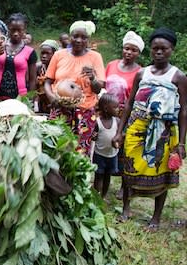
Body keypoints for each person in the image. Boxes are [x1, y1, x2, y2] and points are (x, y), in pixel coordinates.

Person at [112, 28, 187, 231]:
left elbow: (184, 111)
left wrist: (181, 143)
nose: (159, 52)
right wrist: (119, 131)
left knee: (162, 171)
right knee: (129, 167)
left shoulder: (178, 76)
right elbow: (128, 104)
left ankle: (156, 216)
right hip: (138, 126)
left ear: (172, 50)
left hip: (164, 130)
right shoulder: (141, 73)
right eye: (155, 49)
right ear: (151, 50)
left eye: (164, 49)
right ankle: (126, 208)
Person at [43, 20, 105, 155]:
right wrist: (52, 97)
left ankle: (76, 176)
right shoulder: (59, 55)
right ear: (70, 37)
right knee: (57, 149)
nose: (78, 40)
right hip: (60, 109)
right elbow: (47, 82)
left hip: (84, 112)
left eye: (83, 37)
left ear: (88, 39)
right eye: (75, 36)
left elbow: (98, 89)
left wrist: (93, 78)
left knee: (80, 154)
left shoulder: (95, 57)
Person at [105, 31, 144, 200]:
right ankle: (103, 178)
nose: (129, 52)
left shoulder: (141, 72)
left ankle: (124, 186)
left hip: (126, 114)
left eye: (133, 50)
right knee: (106, 145)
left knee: (125, 150)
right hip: (107, 113)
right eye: (127, 48)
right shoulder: (112, 65)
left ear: (138, 53)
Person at [0, 13, 37, 121]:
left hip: (20, 100)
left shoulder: (30, 52)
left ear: (24, 30)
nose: (16, 33)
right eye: (13, 30)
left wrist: (30, 101)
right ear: (8, 29)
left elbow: (32, 80)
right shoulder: (0, 48)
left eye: (20, 30)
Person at [92, 93, 120, 199]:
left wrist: (117, 143)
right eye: (115, 107)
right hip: (99, 155)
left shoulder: (117, 121)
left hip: (112, 155)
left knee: (108, 176)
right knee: (98, 176)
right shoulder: (97, 122)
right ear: (106, 108)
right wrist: (94, 136)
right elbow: (94, 137)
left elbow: (120, 136)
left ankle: (103, 196)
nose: (118, 109)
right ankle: (96, 196)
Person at [35, 39, 59, 113]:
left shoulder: (59, 68)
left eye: (48, 53)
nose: (44, 56)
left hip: (56, 101)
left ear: (55, 54)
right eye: (42, 53)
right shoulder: (38, 67)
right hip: (41, 102)